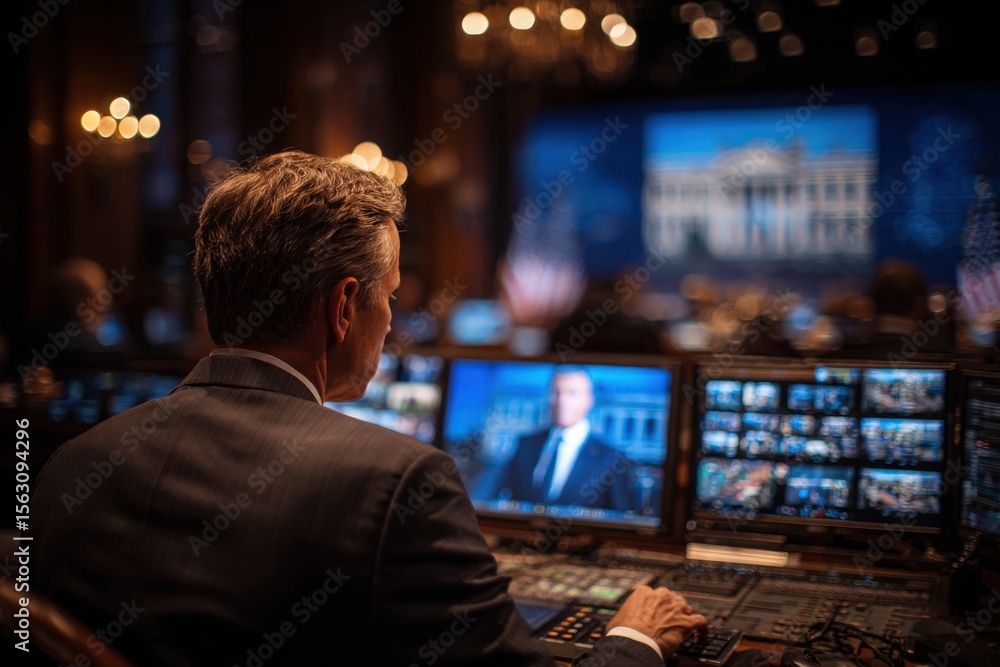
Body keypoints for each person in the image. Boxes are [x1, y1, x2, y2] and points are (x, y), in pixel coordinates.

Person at [31, 151, 706, 666]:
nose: (391, 321)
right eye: (390, 296)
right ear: (344, 306)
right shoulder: (398, 482)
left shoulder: (72, 464)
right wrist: (634, 638)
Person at [497, 368, 632, 511]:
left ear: (589, 400)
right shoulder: (525, 445)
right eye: (556, 392)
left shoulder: (612, 458)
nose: (562, 401)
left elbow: (621, 516)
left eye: (572, 393)